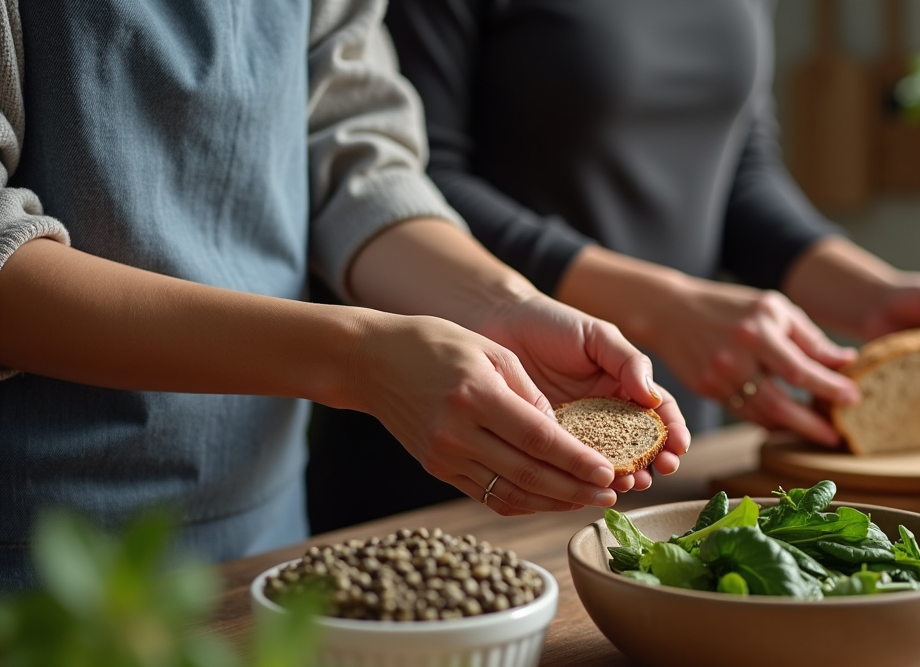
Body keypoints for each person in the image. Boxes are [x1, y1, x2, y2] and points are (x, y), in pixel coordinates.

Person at [0, 0, 688, 592]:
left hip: (266, 539)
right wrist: (356, 362)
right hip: (41, 561)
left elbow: (353, 153)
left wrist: (502, 304)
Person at [383, 0, 920, 437]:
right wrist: (662, 309)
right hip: (474, 419)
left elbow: (740, 169)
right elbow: (408, 183)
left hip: (669, 427)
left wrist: (874, 294)